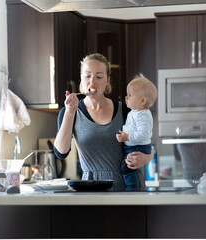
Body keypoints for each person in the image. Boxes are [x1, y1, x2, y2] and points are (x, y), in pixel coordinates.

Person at [53, 53, 153, 191]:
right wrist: (70, 111)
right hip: (92, 194)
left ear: (107, 80)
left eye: (99, 76)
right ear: (81, 79)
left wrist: (147, 157)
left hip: (129, 193)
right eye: (87, 76)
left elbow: (146, 143)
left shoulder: (125, 109)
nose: (92, 81)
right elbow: (60, 152)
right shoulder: (69, 112)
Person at [116, 75, 157, 191]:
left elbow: (144, 134)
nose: (126, 97)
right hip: (134, 146)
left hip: (138, 147)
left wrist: (127, 137)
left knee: (127, 168)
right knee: (127, 168)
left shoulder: (142, 115)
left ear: (142, 100)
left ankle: (132, 188)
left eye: (130, 95)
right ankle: (132, 186)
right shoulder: (134, 112)